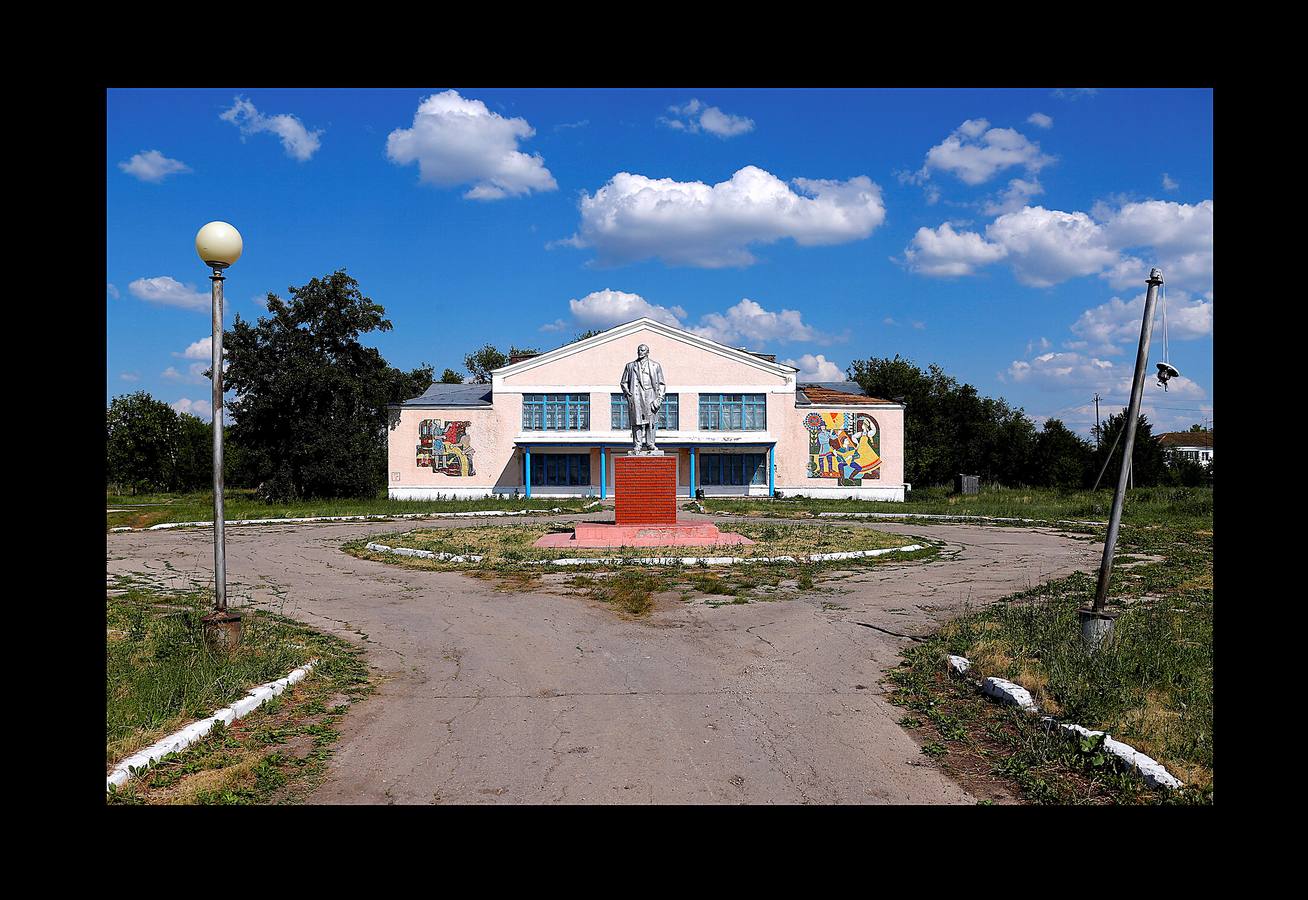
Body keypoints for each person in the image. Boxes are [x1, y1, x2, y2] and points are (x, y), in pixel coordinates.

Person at [619, 344, 666, 453]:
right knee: (637, 422)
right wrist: (628, 394)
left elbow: (661, 384)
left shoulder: (655, 366)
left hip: (650, 395)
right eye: (639, 350)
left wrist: (659, 398)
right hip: (636, 395)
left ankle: (650, 444)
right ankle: (637, 445)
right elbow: (623, 382)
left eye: (643, 350)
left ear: (647, 352)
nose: (640, 352)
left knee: (651, 422)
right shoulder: (630, 366)